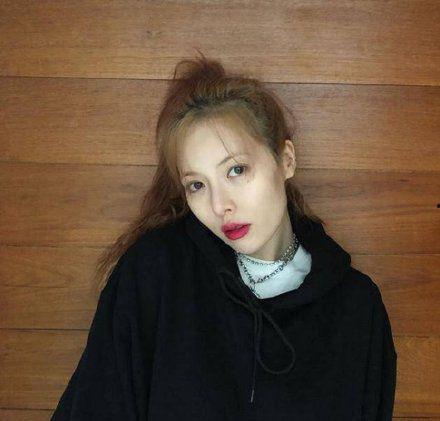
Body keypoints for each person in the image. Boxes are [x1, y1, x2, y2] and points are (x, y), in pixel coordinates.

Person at [51, 52, 397, 420]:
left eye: (236, 170)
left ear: (286, 160)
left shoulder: (357, 308)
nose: (219, 206)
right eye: (197, 185)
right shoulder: (155, 273)